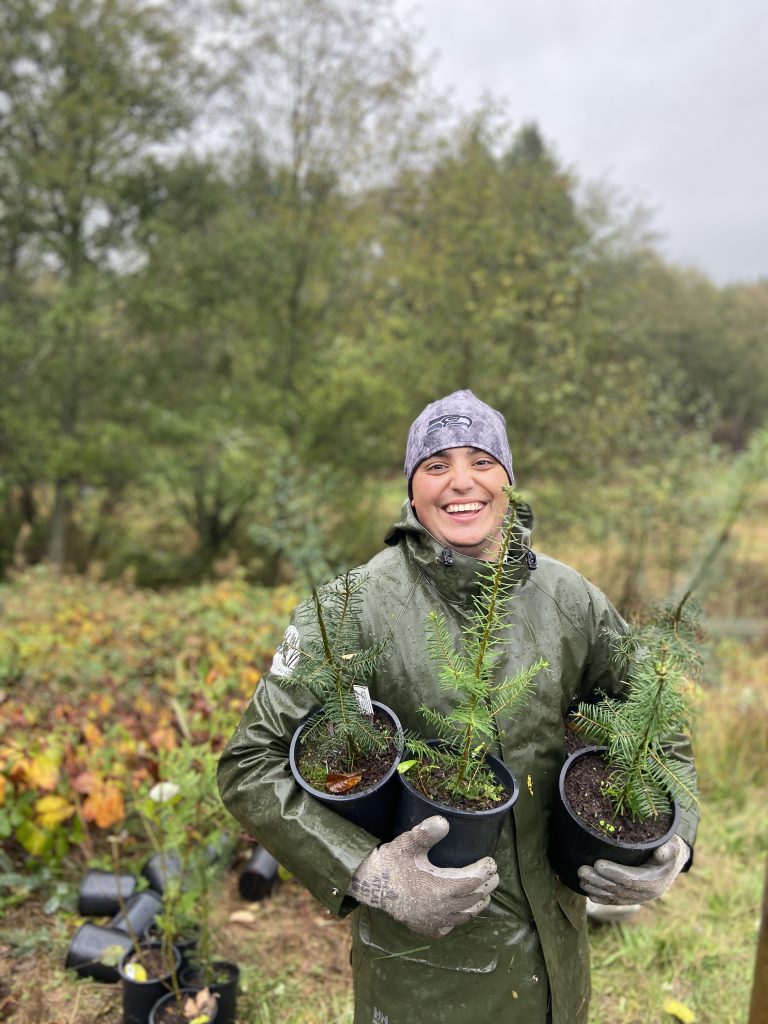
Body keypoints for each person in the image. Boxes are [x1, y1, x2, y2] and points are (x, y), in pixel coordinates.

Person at [217, 390, 698, 1023]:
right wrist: (368, 872)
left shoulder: (568, 598)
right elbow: (251, 764)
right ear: (412, 488)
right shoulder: (351, 608)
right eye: (437, 465)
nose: (461, 483)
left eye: (481, 461)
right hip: (425, 970)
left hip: (558, 958)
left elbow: (654, 717)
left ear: (508, 480)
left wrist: (673, 839)